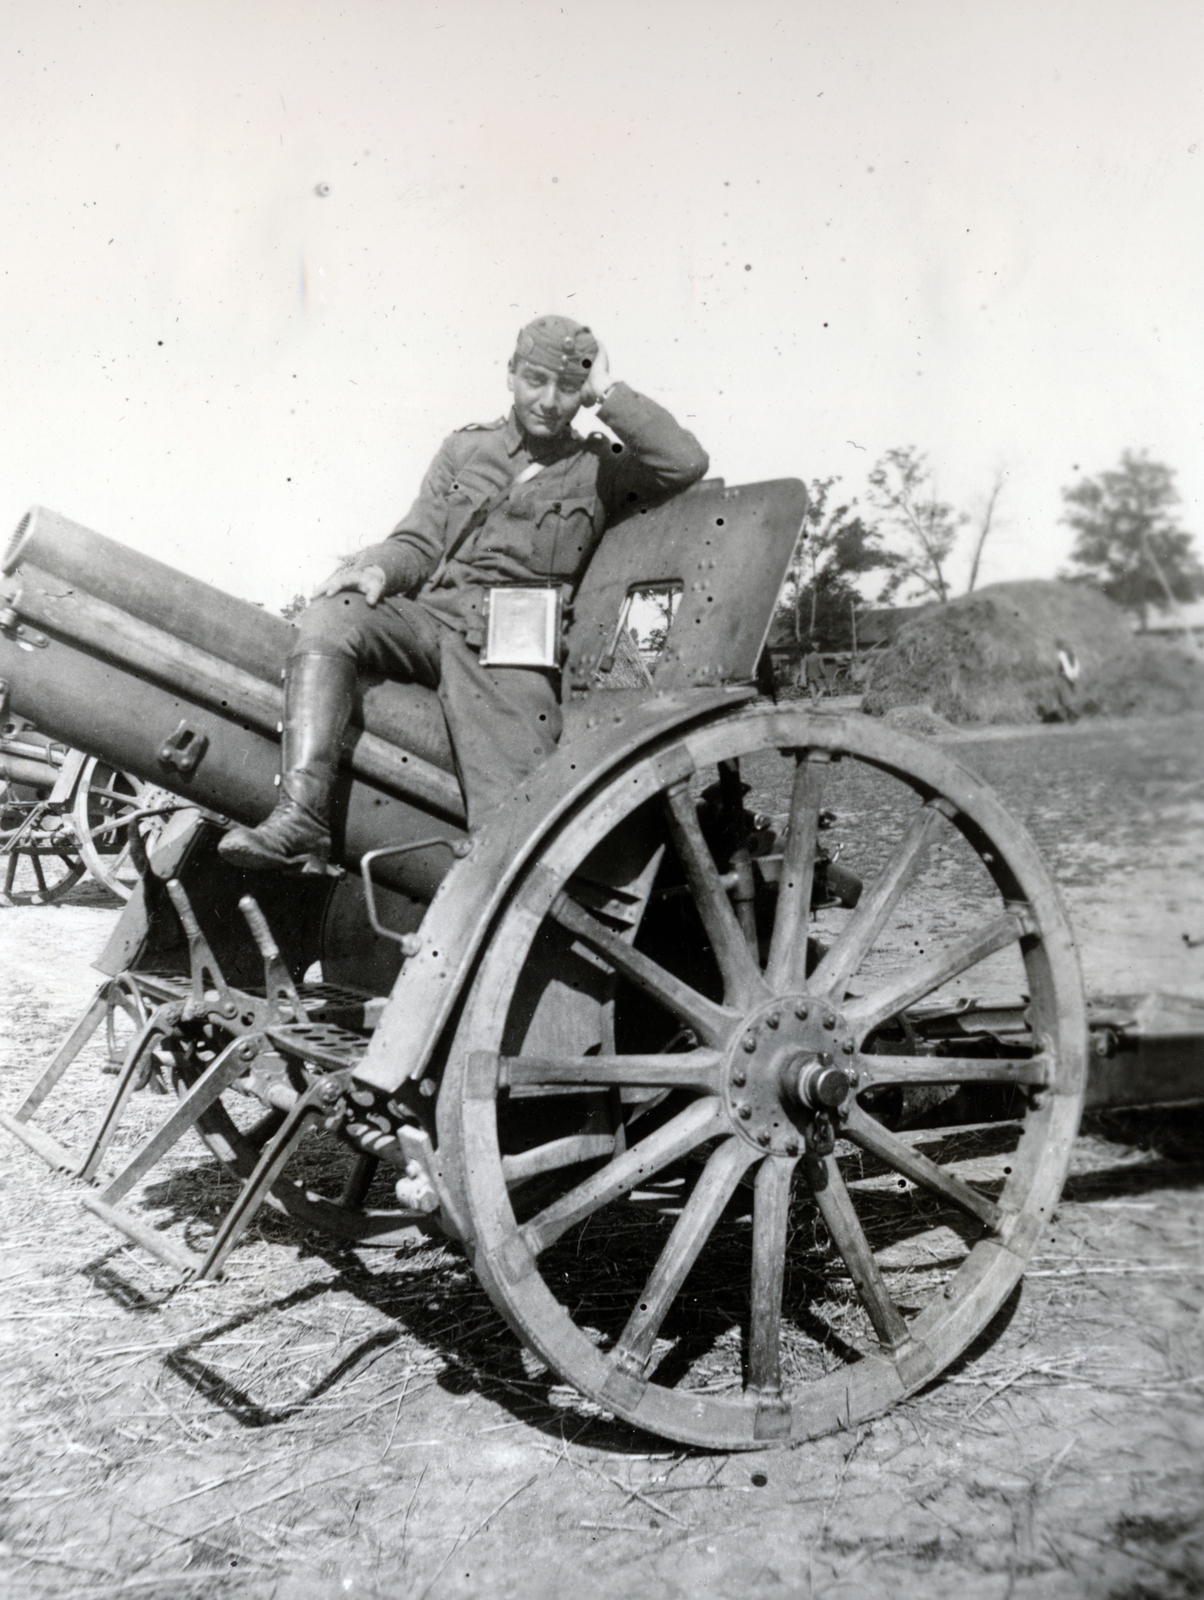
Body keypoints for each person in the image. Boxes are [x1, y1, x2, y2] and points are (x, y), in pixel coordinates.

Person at [219, 316, 709, 870]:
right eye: (535, 380)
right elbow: (418, 540)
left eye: (568, 388)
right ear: (509, 375)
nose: (549, 401)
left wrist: (609, 394)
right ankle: (301, 818)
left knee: (513, 826)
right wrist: (378, 568)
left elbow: (685, 462)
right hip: (432, 622)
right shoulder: (465, 450)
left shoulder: (601, 467)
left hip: (510, 649)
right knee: (333, 616)